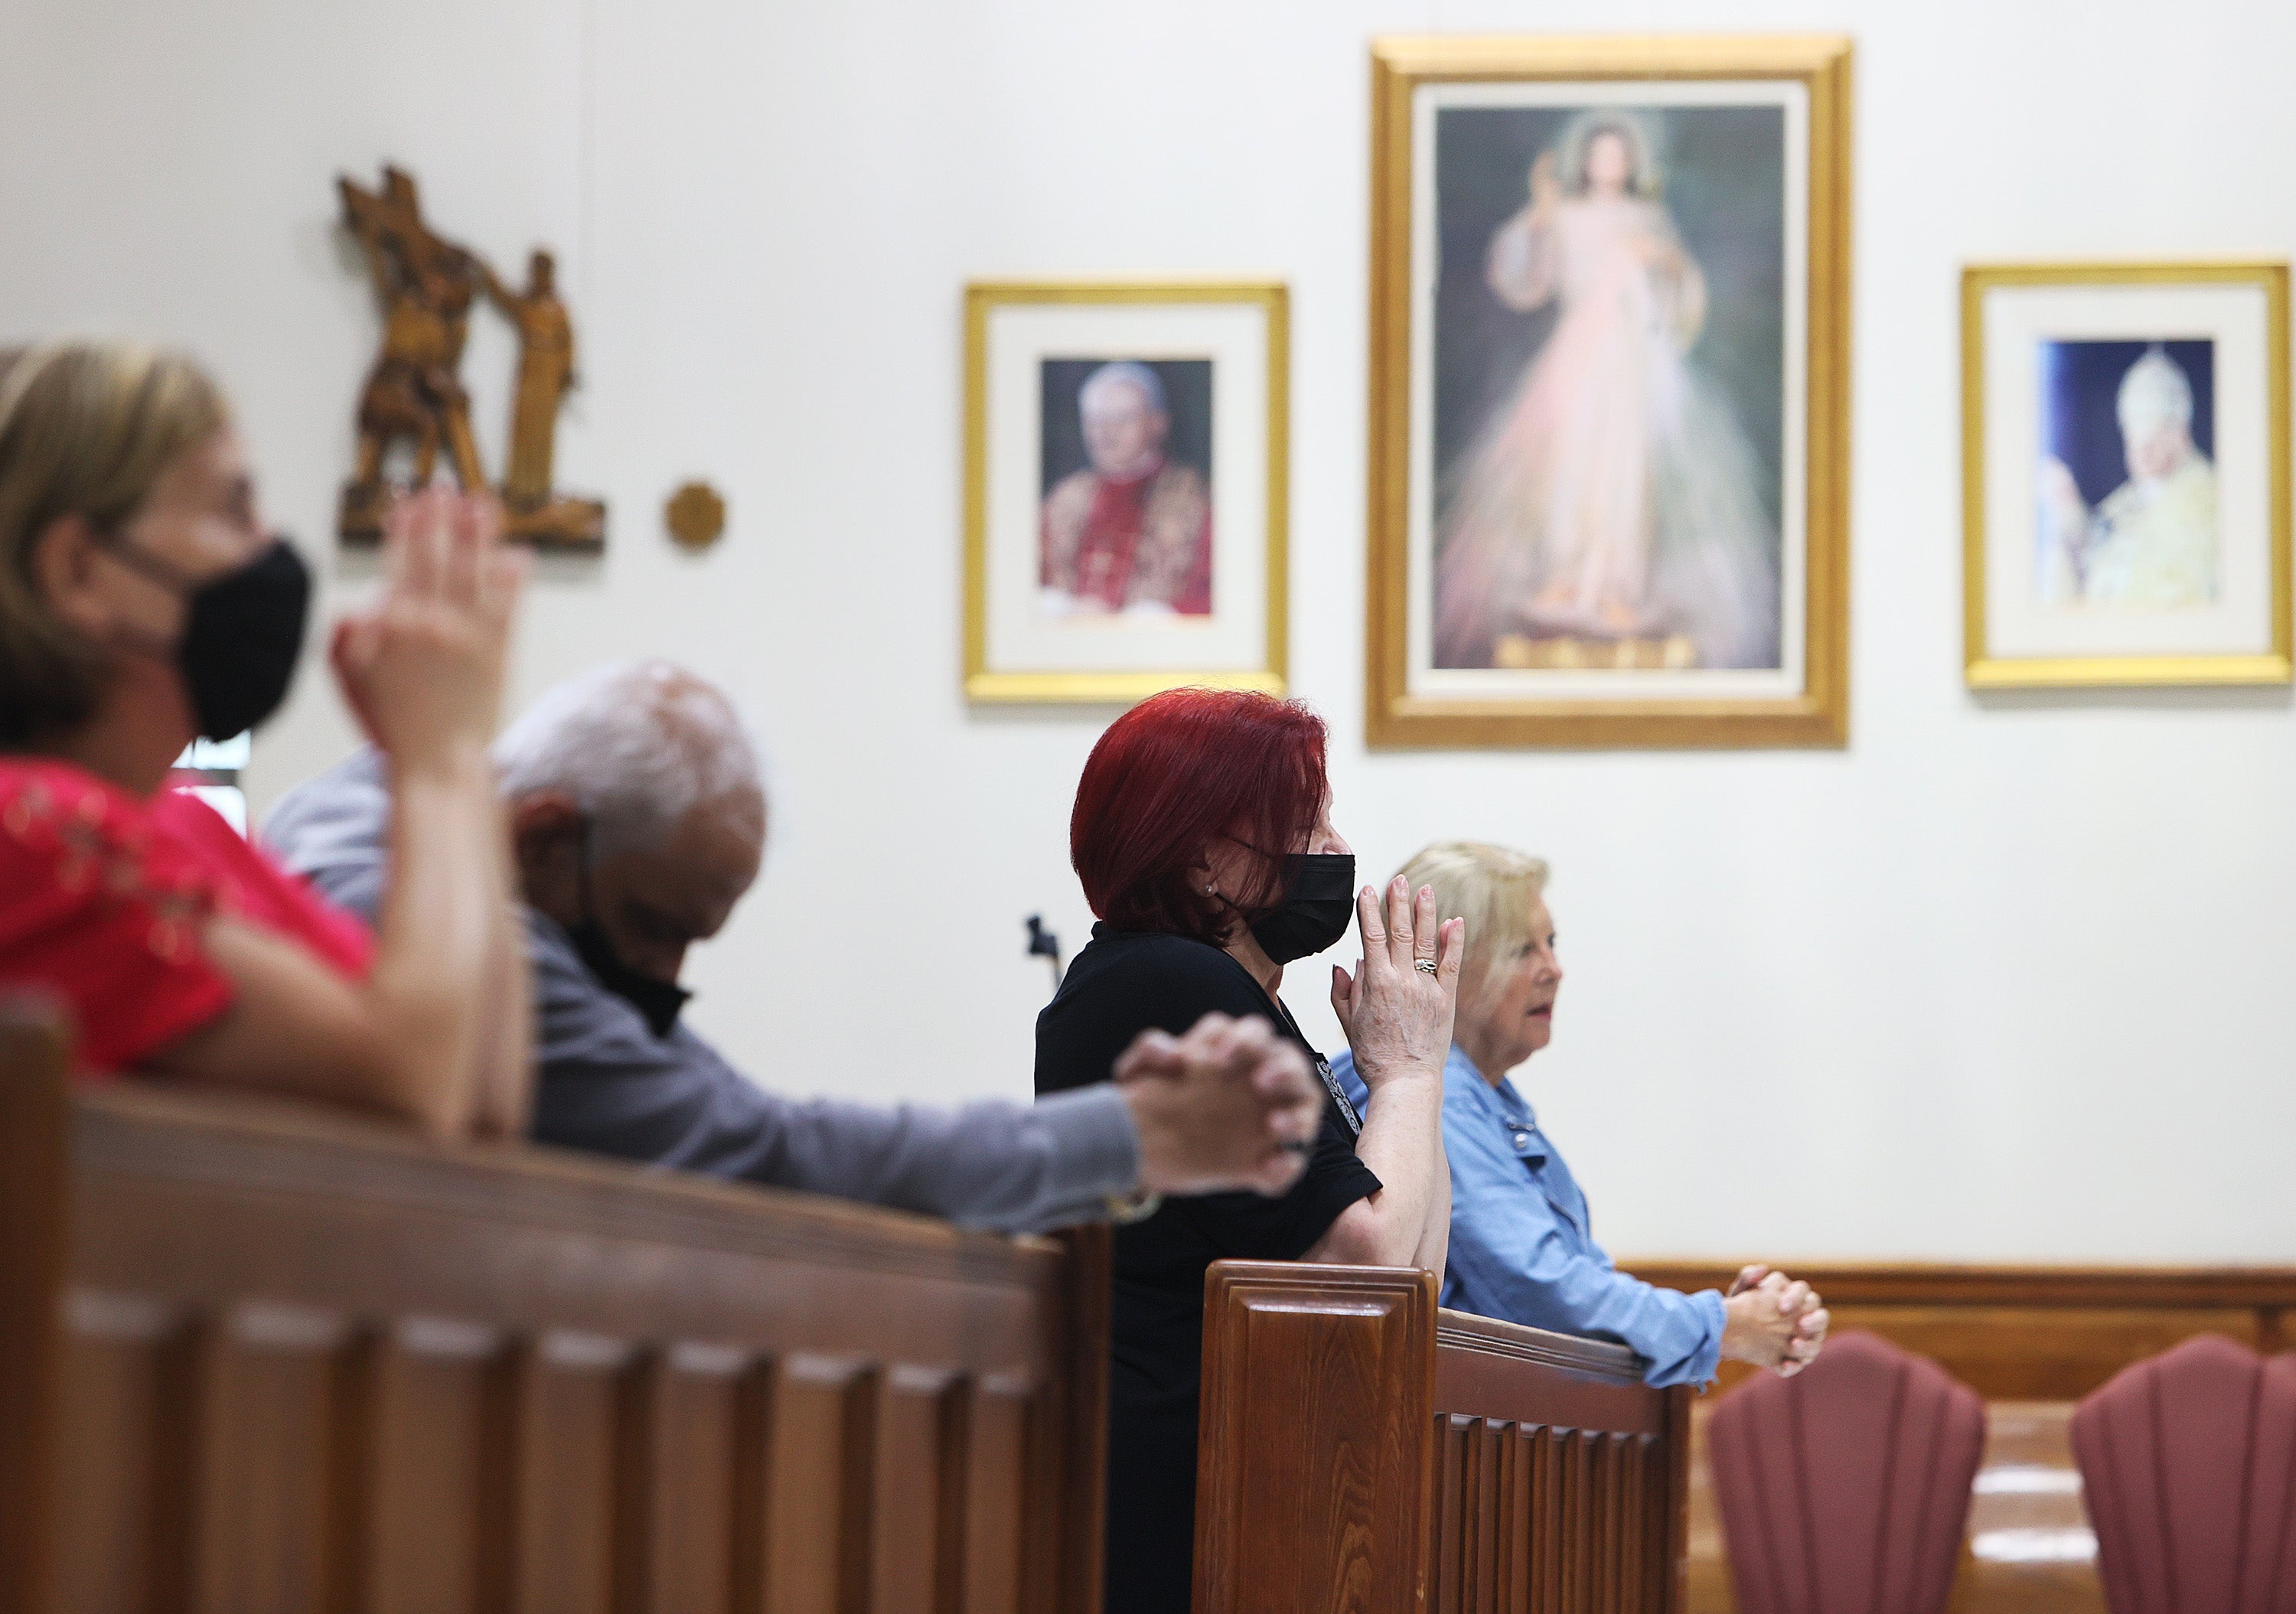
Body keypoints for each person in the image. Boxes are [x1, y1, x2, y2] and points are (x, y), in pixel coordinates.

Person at [265, 659, 1325, 1232]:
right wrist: (1131, 1136)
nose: (666, 982)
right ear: (544, 836)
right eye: (651, 927)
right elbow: (774, 1148)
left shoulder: (361, 804)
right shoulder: (445, 939)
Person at [0, 340, 530, 1138]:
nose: (269, 544)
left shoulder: (183, 816)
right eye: (232, 508)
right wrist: (431, 769)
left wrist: (461, 758)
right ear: (79, 570)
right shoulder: (29, 828)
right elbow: (410, 1085)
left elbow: (482, 1096)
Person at [1035, 686, 1460, 1614]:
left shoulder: (1237, 999)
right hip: (1178, 1506)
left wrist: (1412, 1070)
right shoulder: (1166, 980)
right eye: (1305, 823)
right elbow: (1368, 1261)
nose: (1338, 847)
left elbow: (1418, 1275)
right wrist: (1410, 1074)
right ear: (1204, 862)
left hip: (1257, 1484)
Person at [1333, 841, 1828, 1387]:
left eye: (1551, 943)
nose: (1554, 969)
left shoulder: (1483, 1095)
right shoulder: (1436, 1092)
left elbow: (1576, 1285)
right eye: (1523, 949)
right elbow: (1543, 1292)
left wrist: (1721, 1322)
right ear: (1444, 959)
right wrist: (1724, 1326)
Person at [1433, 112, 1777, 670]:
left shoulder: (1647, 217)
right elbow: (1525, 281)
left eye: (1619, 156)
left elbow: (1681, 291)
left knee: (1623, 471)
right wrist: (1542, 205)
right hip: (1575, 358)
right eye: (1600, 155)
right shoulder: (1563, 214)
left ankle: (1615, 584)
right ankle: (1569, 579)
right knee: (1566, 468)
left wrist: (1659, 261)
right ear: (1584, 162)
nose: (1609, 165)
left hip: (1631, 367)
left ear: (1632, 163)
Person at [2039, 344, 2218, 607]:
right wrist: (2071, 519)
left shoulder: (2211, 499)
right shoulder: (2125, 502)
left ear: (2181, 433)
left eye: (2153, 436)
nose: (2140, 450)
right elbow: (2097, 566)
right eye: (2133, 437)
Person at [1039, 361, 1212, 617]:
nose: (1106, 432)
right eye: (1096, 420)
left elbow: (1216, 601)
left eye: (1124, 418)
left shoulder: (1198, 500)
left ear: (1157, 423)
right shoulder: (1063, 499)